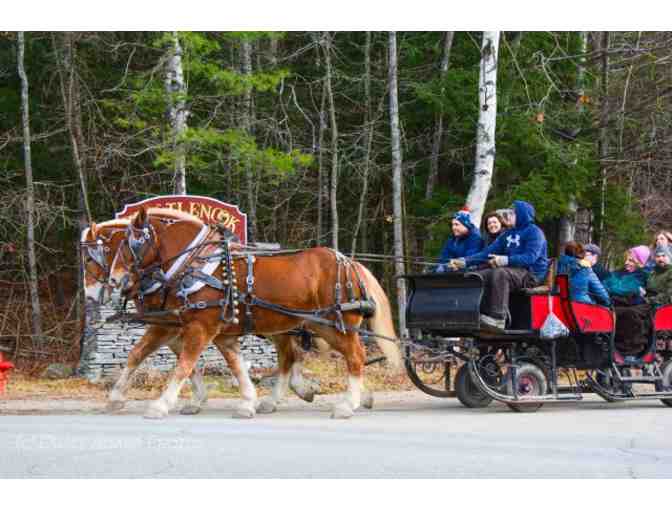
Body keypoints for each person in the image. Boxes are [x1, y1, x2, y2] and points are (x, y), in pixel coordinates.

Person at [448, 200, 549, 331]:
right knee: (477, 276)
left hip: (531, 275)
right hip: (513, 272)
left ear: (522, 215)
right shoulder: (507, 234)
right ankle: (479, 314)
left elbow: (530, 258)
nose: (508, 216)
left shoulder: (534, 232)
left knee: (499, 273)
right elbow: (486, 253)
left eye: (512, 213)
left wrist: (505, 260)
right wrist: (464, 261)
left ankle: (498, 318)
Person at [604, 246, 651, 355]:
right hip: (615, 303)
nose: (626, 263)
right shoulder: (618, 273)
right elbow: (605, 284)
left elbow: (628, 289)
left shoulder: (642, 275)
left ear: (640, 263)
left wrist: (612, 288)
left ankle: (628, 350)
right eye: (626, 259)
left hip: (632, 305)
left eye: (631, 260)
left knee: (628, 314)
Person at [558, 241, 610, 306]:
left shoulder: (559, 265)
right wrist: (608, 302)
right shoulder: (585, 268)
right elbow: (602, 294)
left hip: (560, 304)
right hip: (581, 305)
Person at [435, 207, 484, 272]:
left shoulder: (476, 238)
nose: (453, 228)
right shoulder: (452, 239)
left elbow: (470, 260)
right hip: (451, 271)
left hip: (468, 273)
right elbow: (443, 257)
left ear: (466, 225)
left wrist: (455, 265)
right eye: (452, 225)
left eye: (456, 224)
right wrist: (442, 266)